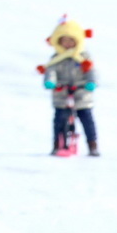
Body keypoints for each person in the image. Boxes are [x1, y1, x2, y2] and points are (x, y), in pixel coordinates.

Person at [38, 15, 99, 156]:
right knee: (60, 118)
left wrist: (91, 83)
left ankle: (92, 145)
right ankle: (58, 144)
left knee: (86, 118)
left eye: (71, 40)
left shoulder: (84, 57)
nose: (67, 44)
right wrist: (51, 82)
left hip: (82, 94)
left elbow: (91, 72)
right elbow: (50, 70)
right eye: (64, 41)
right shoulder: (56, 58)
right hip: (62, 94)